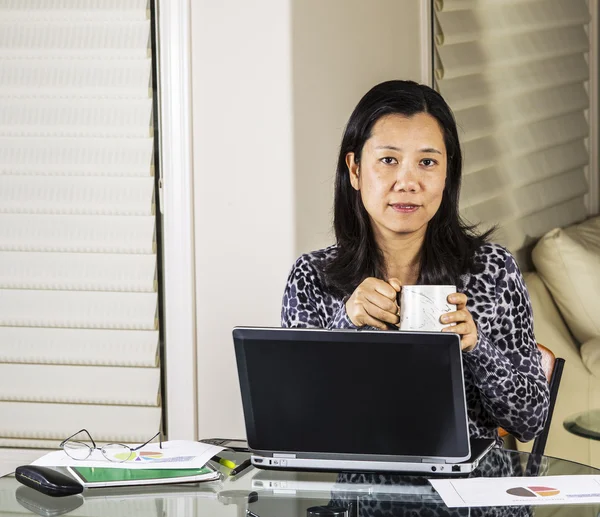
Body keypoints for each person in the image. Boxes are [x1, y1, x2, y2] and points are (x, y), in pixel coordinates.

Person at [281, 80, 550, 444]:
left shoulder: (493, 269)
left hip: (469, 490)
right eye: (388, 160)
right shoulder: (313, 276)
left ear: (446, 173)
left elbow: (530, 421)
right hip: (355, 492)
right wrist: (346, 322)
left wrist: (475, 344)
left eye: (427, 162)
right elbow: (297, 420)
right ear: (356, 169)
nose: (407, 182)